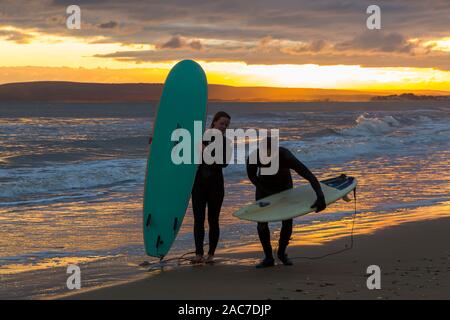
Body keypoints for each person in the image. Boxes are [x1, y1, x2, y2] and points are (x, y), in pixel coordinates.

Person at [246, 138, 326, 268]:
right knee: (261, 222)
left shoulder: (285, 155)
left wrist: (320, 196)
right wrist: (263, 189)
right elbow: (252, 176)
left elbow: (307, 174)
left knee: (287, 220)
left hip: (285, 187)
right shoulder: (253, 157)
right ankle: (268, 257)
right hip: (264, 188)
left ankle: (282, 253)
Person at [191, 111, 231, 264]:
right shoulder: (200, 139)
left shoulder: (226, 143)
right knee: (198, 220)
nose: (224, 127)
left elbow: (223, 163)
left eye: (226, 125)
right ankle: (198, 254)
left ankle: (211, 255)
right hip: (198, 185)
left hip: (216, 186)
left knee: (213, 220)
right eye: (222, 123)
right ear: (214, 122)